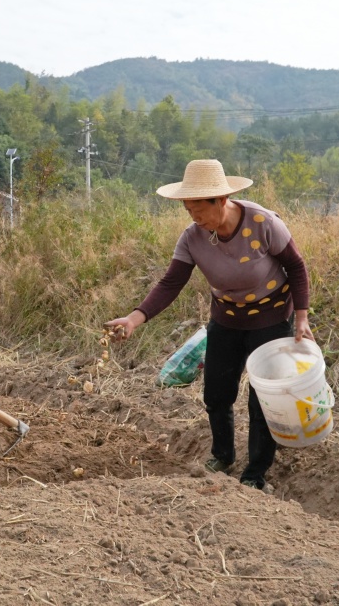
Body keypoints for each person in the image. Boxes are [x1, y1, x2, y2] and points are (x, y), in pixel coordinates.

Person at [106, 159, 314, 491]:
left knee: (262, 399)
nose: (193, 217)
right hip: (227, 319)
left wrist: (301, 317)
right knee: (217, 393)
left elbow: (297, 267)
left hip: (272, 318)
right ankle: (223, 455)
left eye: (198, 209)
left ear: (221, 200)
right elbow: (170, 283)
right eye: (188, 210)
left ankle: (255, 473)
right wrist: (134, 318)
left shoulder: (262, 223)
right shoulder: (193, 238)